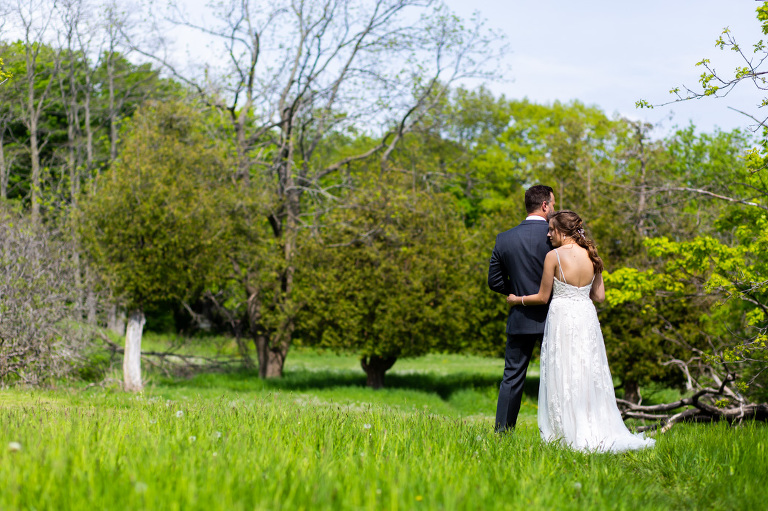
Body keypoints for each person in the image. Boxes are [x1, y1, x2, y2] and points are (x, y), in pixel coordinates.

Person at [506, 210, 655, 452]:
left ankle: (567, 431)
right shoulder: (592, 255)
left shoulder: (553, 256)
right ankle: (592, 425)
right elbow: (600, 296)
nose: (548, 234)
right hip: (586, 317)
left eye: (551, 230)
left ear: (562, 232)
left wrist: (517, 300)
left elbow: (542, 297)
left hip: (562, 318)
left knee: (563, 371)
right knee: (586, 370)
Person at [488, 185, 555, 433]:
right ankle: (558, 434)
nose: (554, 208)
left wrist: (518, 294)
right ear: (545, 205)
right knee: (557, 377)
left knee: (512, 377)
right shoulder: (557, 237)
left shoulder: (504, 238)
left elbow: (494, 281)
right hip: (554, 316)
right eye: (553, 204)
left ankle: (502, 433)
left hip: (520, 316)